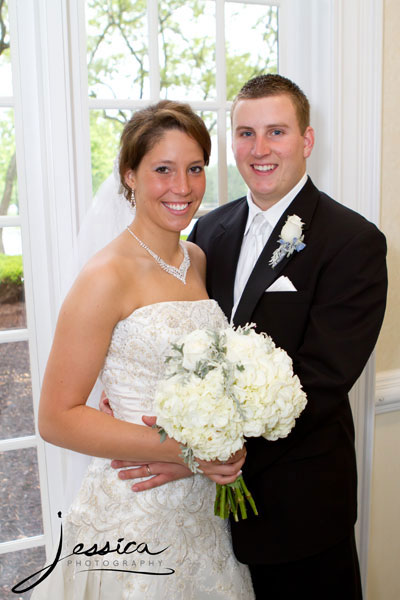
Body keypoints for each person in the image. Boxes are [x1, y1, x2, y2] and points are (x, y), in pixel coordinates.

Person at [111, 75, 387, 599]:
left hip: (298, 510)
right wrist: (144, 405)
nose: (259, 150)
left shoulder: (354, 242)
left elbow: (320, 385)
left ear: (306, 141)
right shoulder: (207, 232)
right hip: (203, 513)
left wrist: (201, 454)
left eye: (276, 132)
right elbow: (186, 339)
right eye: (245, 133)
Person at [31, 100, 254, 599]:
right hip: (136, 510)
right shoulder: (105, 275)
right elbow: (56, 417)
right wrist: (187, 452)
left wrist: (220, 445)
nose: (183, 186)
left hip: (203, 512)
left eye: (195, 168)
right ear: (130, 176)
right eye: (163, 170)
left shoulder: (195, 257)